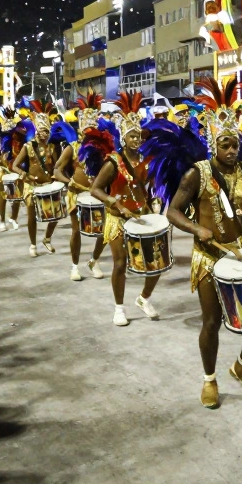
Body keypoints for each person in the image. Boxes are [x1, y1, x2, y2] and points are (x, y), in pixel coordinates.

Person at [164, 79, 242, 408]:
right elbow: (172, 211)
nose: (231, 151)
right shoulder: (196, 174)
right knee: (211, 322)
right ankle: (209, 380)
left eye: (234, 145)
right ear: (214, 144)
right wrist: (197, 229)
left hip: (240, 253)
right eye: (225, 145)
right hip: (209, 257)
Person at [87, 97, 161, 327]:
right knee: (120, 264)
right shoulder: (113, 162)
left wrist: (156, 200)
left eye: (138, 135)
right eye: (131, 136)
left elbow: (153, 185)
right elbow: (95, 189)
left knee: (156, 263)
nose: (136, 140)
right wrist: (115, 204)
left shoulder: (148, 160)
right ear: (123, 138)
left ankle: (144, 298)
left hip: (142, 217)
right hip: (118, 219)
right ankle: (119, 308)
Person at [53, 108, 106, 281]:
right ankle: (74, 266)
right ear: (80, 131)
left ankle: (94, 260)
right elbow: (57, 170)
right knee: (76, 231)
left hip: (98, 195)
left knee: (105, 231)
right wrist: (69, 182)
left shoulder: (103, 149)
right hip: (76, 196)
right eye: (86, 130)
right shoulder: (73, 148)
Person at [12, 112, 60, 258]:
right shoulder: (28, 147)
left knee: (55, 216)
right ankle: (33, 245)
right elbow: (15, 165)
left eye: (46, 131)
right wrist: (23, 173)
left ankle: (47, 238)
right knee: (31, 216)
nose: (43, 134)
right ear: (36, 131)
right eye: (41, 131)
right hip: (31, 185)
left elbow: (57, 166)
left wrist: (56, 177)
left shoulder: (52, 147)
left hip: (48, 184)